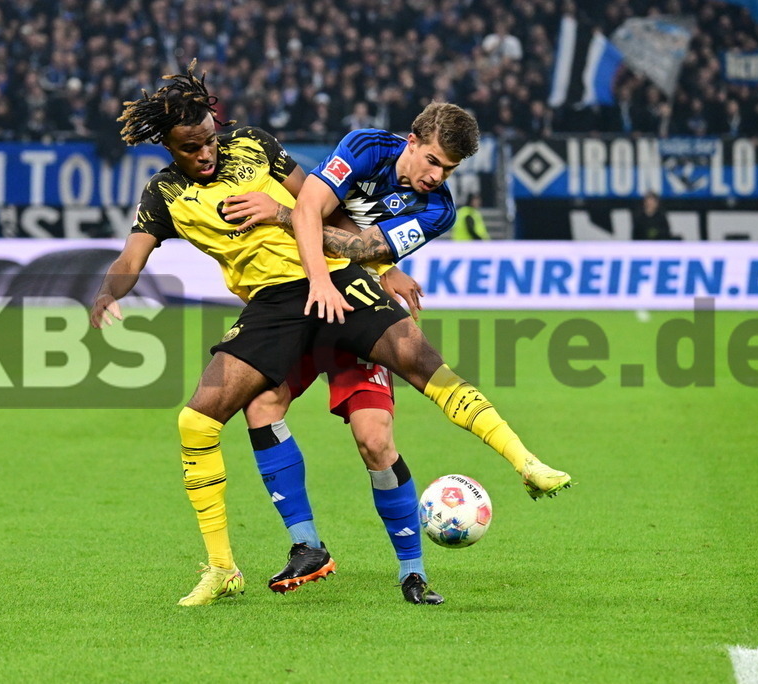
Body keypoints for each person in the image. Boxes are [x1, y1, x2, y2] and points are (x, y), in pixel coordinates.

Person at [89, 63, 571, 608]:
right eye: (190, 148)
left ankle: (524, 463)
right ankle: (229, 566)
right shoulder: (164, 195)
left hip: (335, 279)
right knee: (200, 418)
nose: (204, 153)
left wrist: (376, 268)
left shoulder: (252, 144)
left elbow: (321, 204)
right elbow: (132, 256)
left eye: (208, 140)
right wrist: (110, 291)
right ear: (170, 147)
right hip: (273, 304)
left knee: (407, 386)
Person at [245, 104, 560, 606]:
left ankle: (412, 573)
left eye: (449, 170)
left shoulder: (438, 210)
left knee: (375, 439)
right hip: (302, 293)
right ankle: (307, 546)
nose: (436, 177)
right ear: (411, 141)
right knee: (261, 404)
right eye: (432, 161)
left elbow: (360, 244)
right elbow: (313, 207)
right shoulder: (367, 147)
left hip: (356, 302)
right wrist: (329, 271)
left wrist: (367, 261)